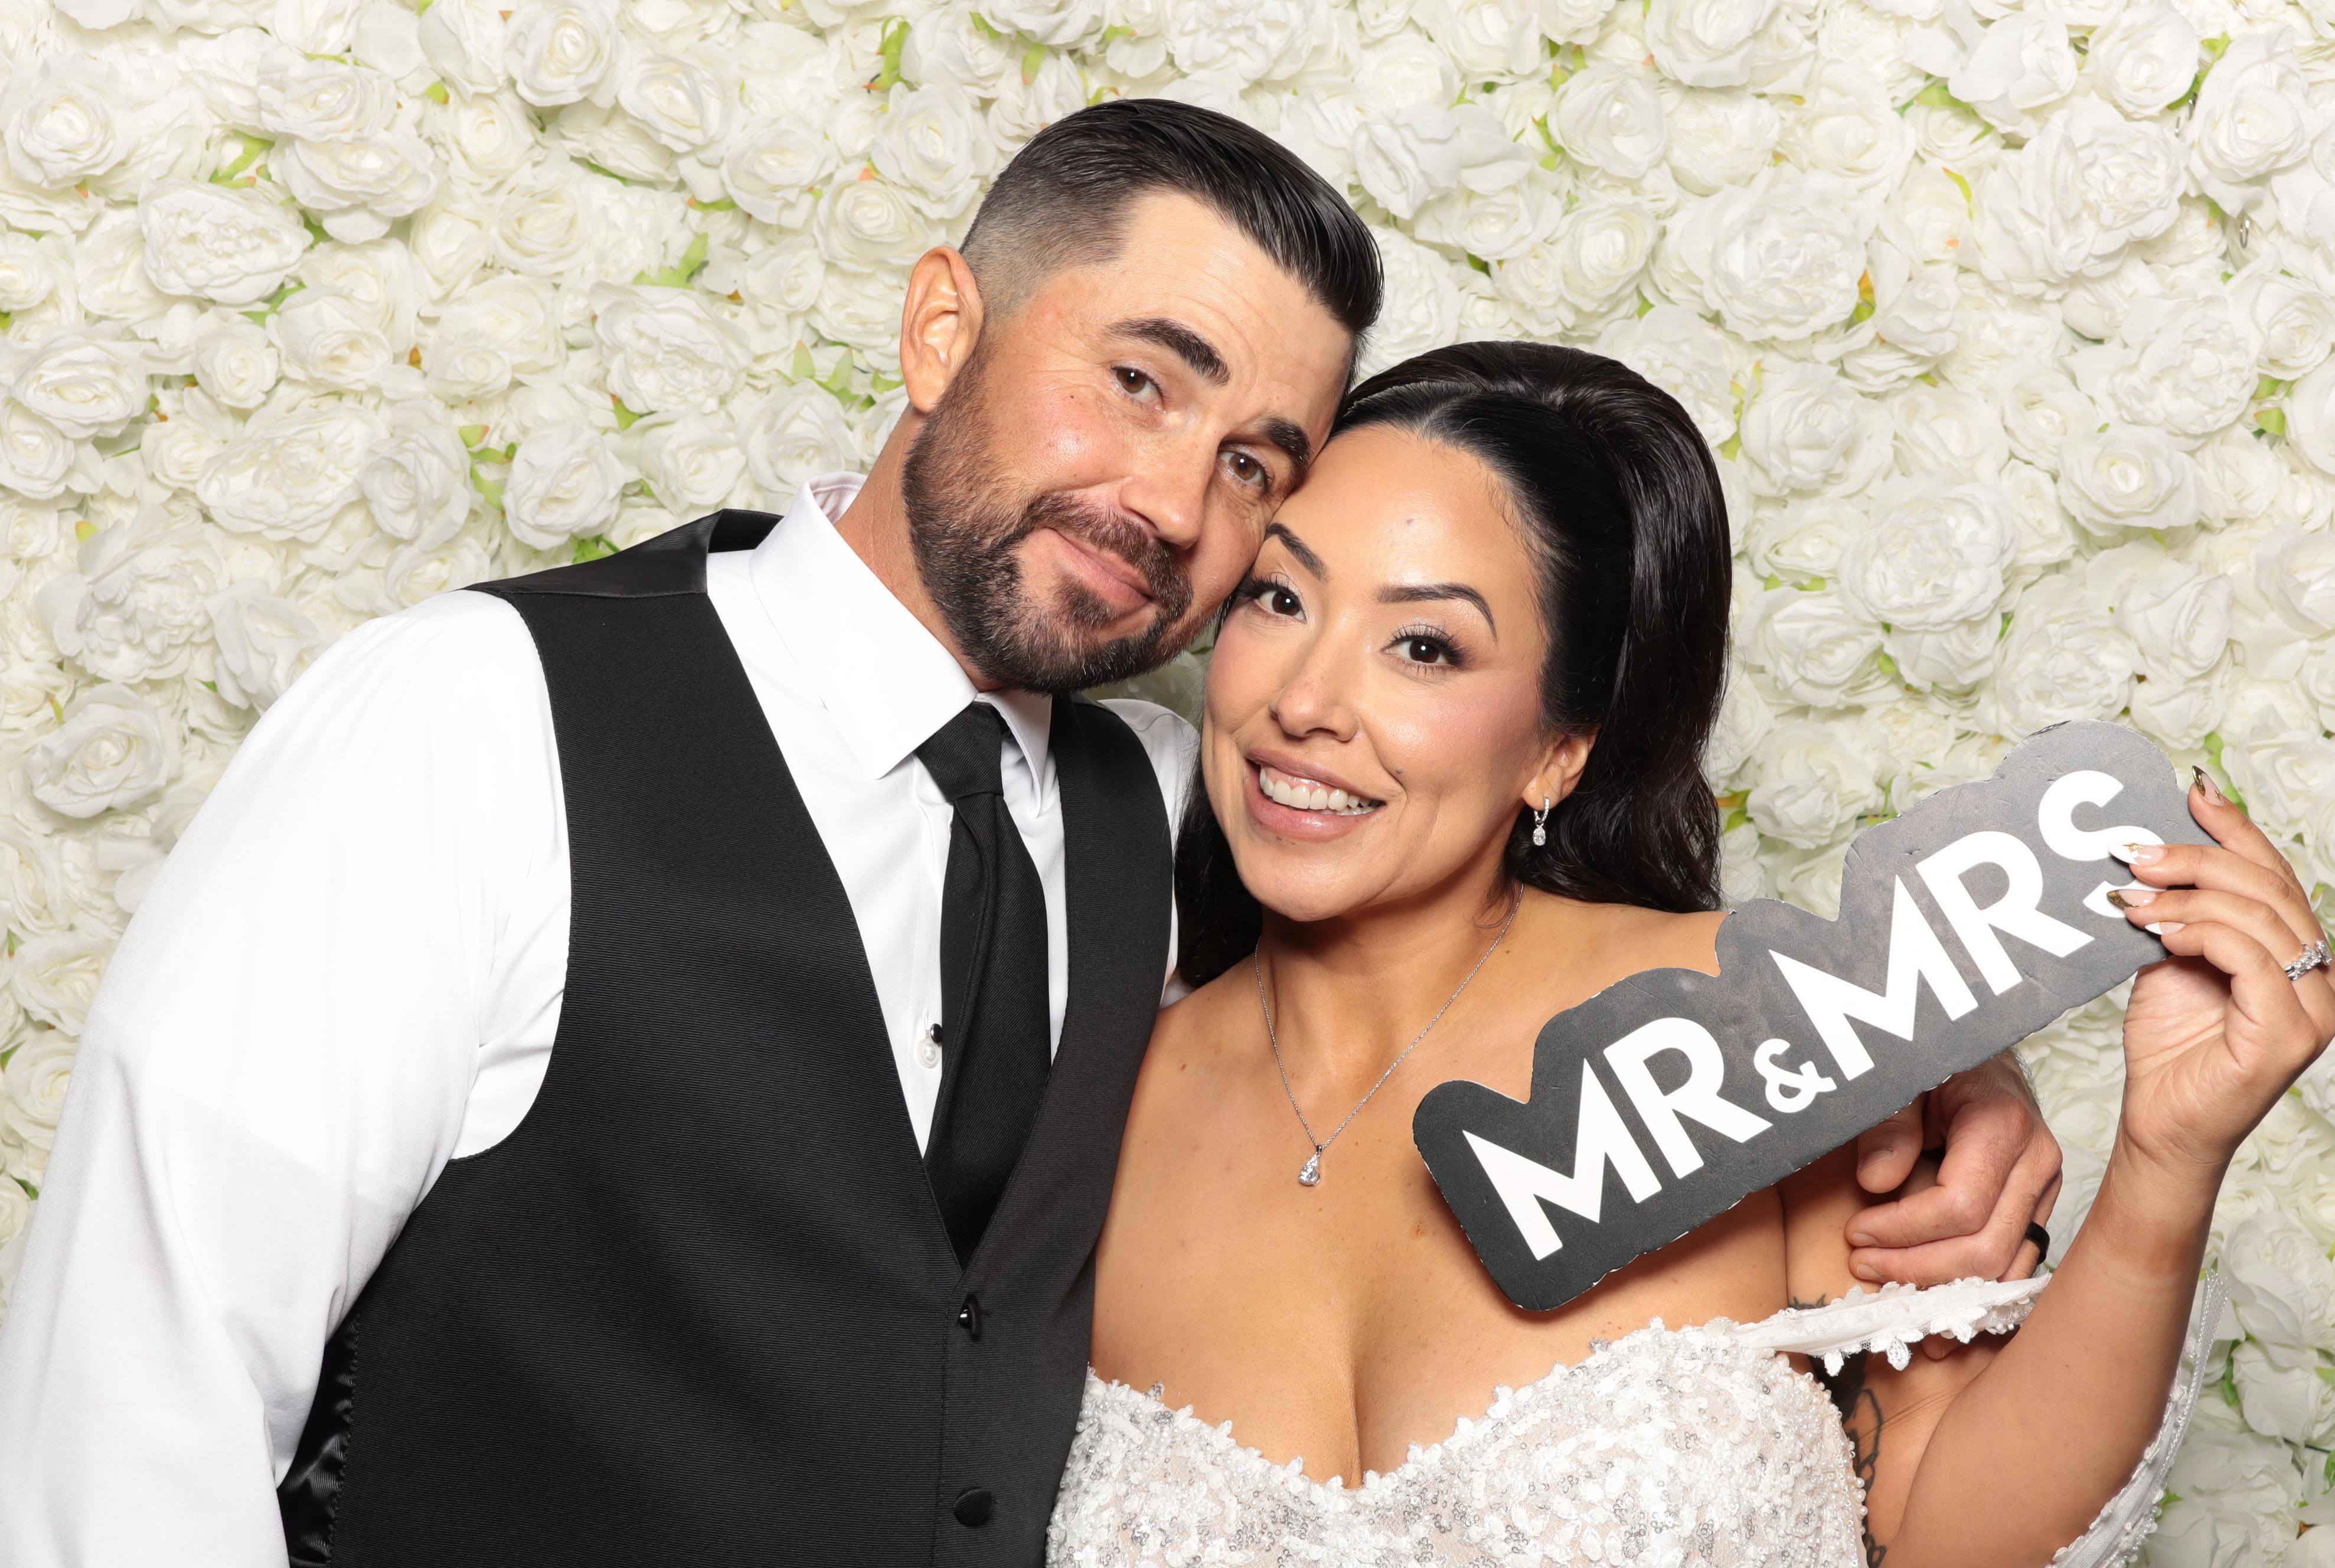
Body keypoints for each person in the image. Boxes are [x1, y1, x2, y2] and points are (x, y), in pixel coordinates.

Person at [0, 106, 2052, 1568]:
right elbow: (135, 1403)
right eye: (1137, 380)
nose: (1169, 499)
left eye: (1250, 462)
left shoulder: (1166, 815)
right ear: (939, 330)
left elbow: (1459, 987)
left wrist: (1926, 1079)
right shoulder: (468, 717)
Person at [1051, 342, 2335, 1567]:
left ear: (1561, 749)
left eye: (1425, 645)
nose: (1304, 701)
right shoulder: (1088, 1089)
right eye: (1280, 598)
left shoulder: (1754, 1023)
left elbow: (1950, 1534)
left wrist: (2166, 1164)